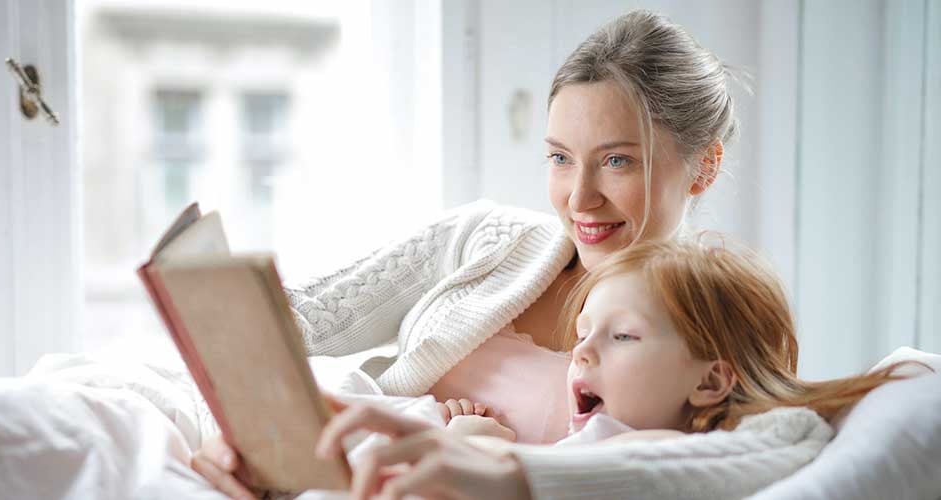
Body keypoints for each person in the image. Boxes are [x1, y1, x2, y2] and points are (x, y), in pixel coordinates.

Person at [192, 9, 746, 499]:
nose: (579, 198)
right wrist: (241, 433)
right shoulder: (488, 237)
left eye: (618, 161)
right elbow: (292, 328)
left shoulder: (712, 331)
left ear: (705, 166)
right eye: (559, 158)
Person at [314, 238, 912, 499]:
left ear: (710, 380)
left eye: (622, 335)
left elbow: (771, 446)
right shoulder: (591, 436)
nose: (583, 351)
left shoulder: (669, 446)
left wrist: (493, 462)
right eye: (583, 334)